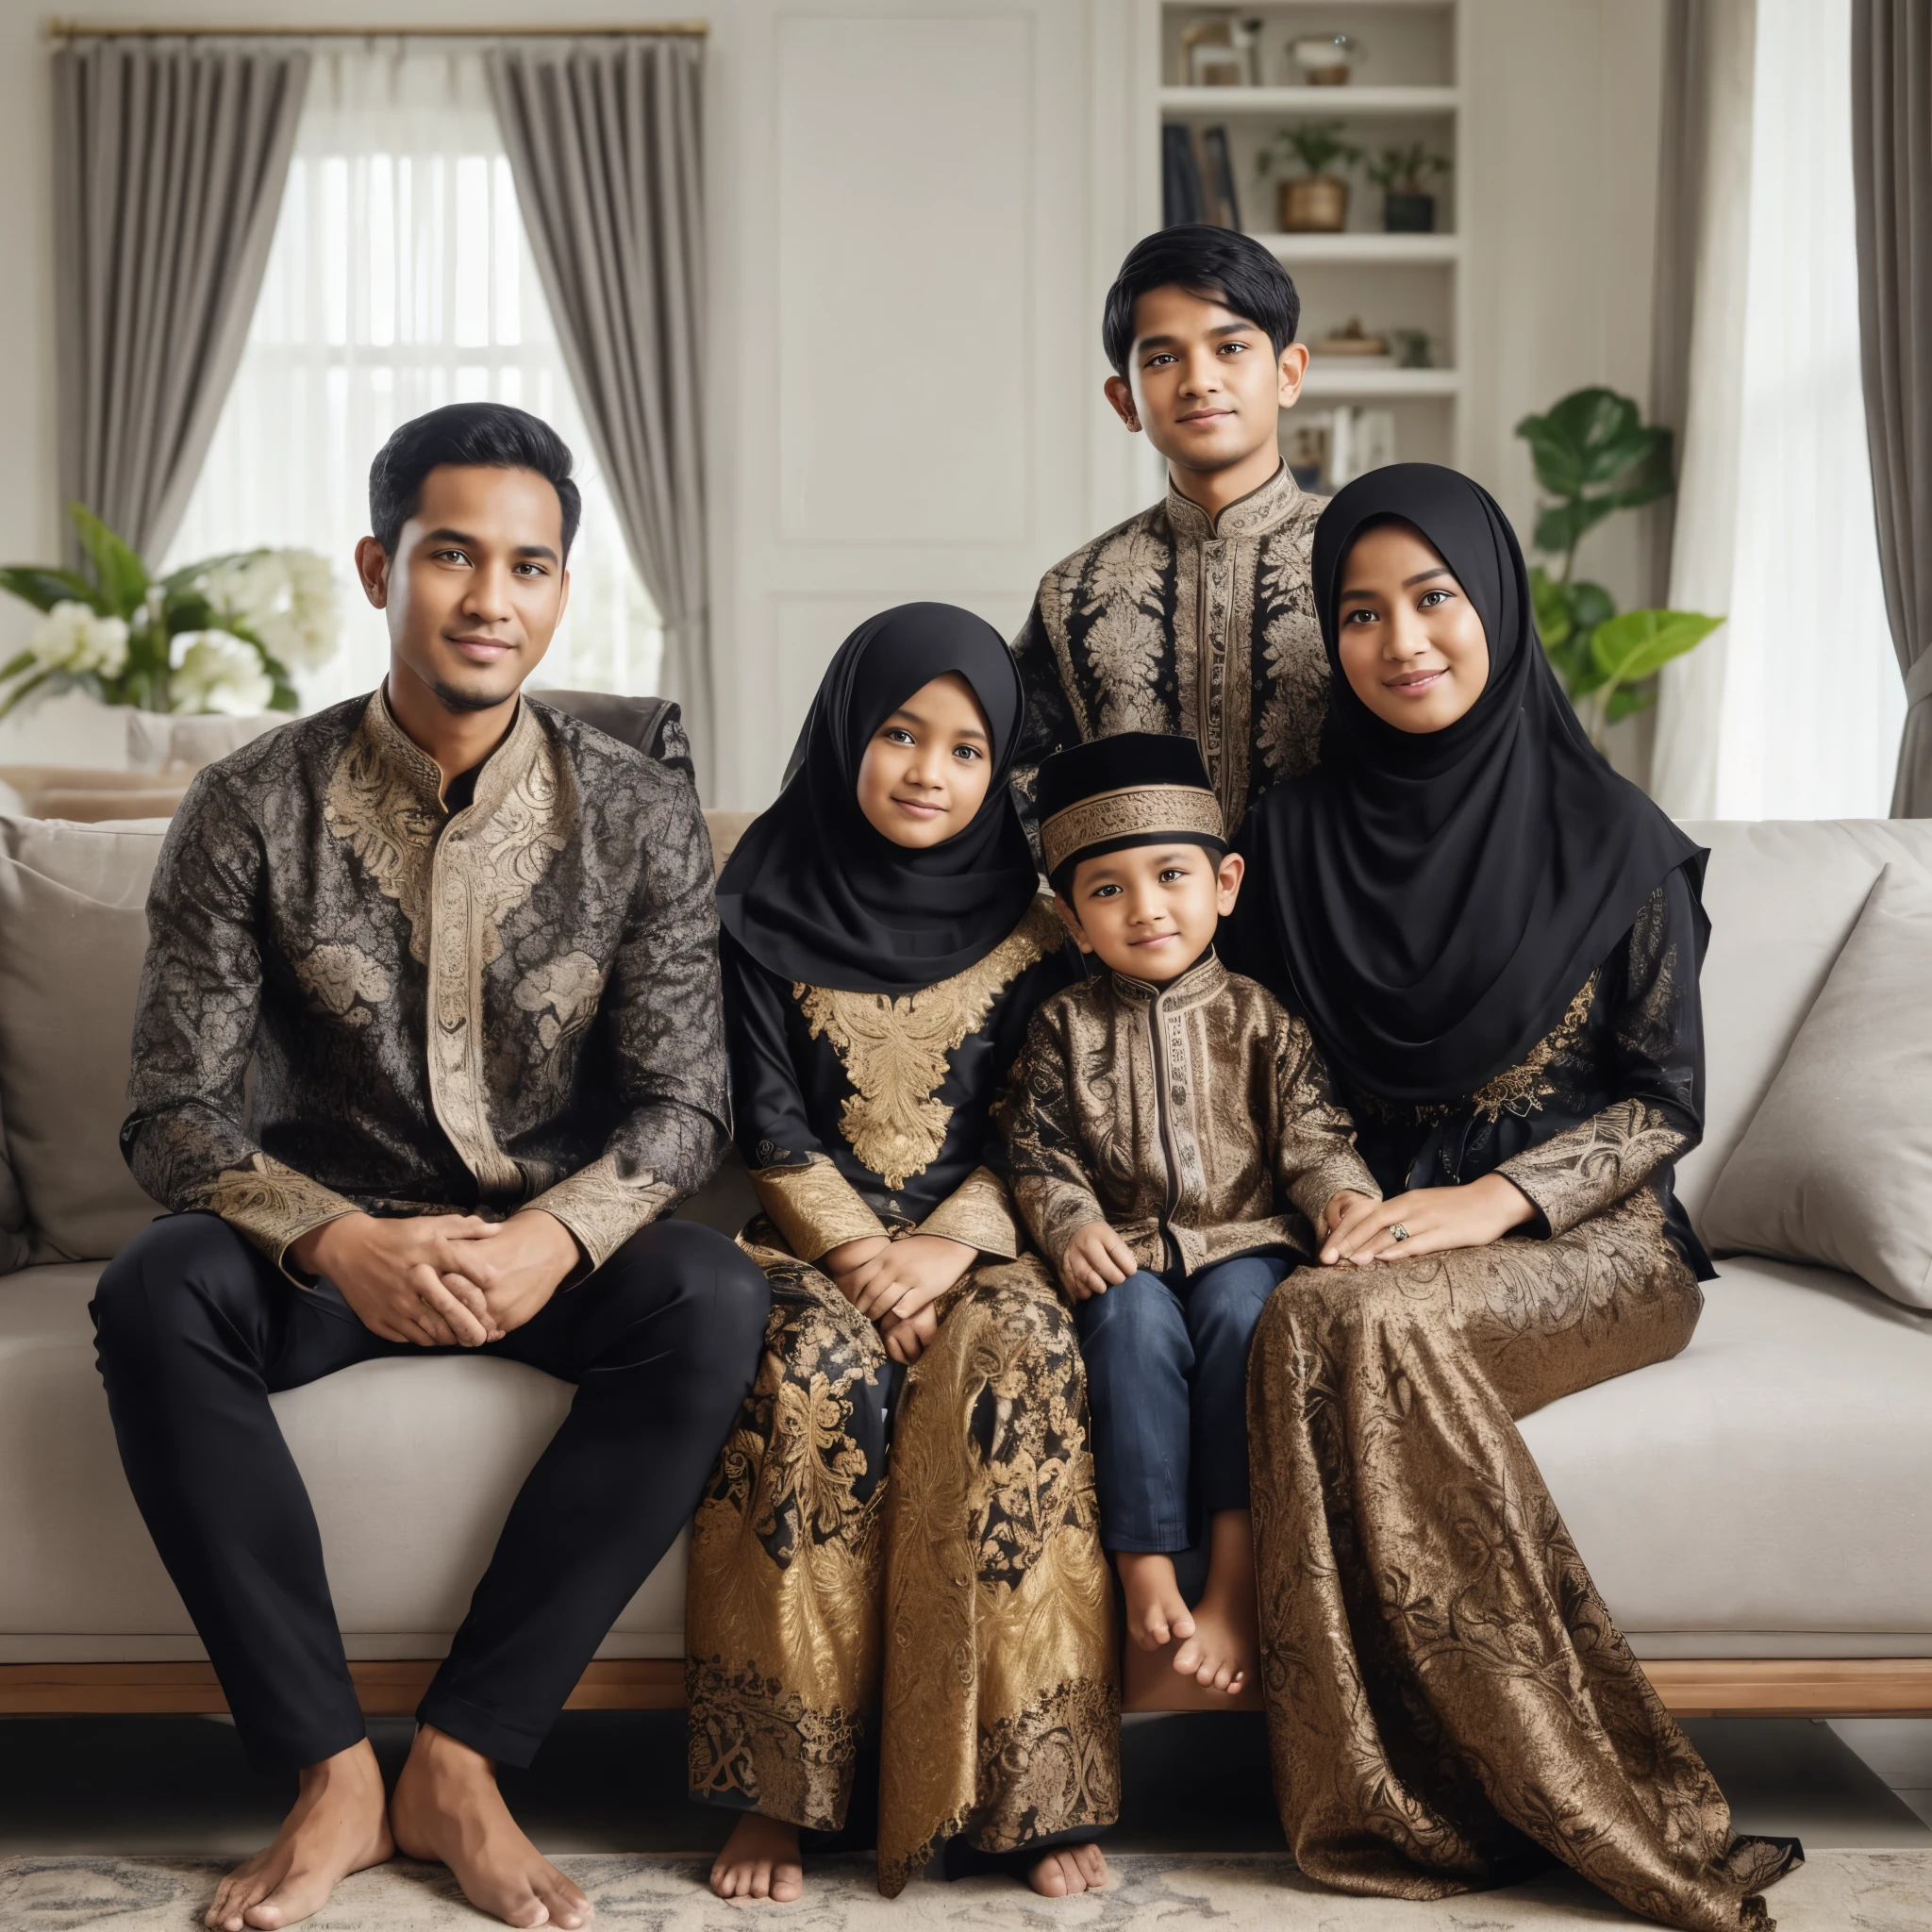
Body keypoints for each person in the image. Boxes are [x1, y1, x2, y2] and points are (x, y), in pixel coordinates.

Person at [92, 402, 770, 1932]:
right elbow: (170, 1114)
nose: (489, 596)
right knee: (155, 1287)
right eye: (450, 554)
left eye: (527, 565)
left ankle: (464, 1756)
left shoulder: (644, 818)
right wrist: (336, 1242)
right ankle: (329, 1767)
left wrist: (556, 1237)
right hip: (327, 1251)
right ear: (377, 564)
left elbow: (682, 1108)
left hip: (549, 1249)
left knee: (715, 1297)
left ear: (560, 588)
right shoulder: (248, 806)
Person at [1224, 463, 1802, 1930]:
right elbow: (1280, 1071)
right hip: (1378, 1229)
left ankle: (1572, 1789)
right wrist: (1348, 1192)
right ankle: (1388, 1791)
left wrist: (1499, 1202)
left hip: (1592, 1246)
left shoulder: (1616, 837)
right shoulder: (1288, 842)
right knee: (1312, 1315)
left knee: (1372, 1328)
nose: (1402, 641)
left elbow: (1664, 1102)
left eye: (1434, 599)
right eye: (1360, 612)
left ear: (1498, 603)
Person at [687, 605, 1118, 1904]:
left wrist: (945, 1248)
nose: (929, 772)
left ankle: (1036, 1791)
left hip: (988, 1248)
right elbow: (762, 1118)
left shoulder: (1045, 930)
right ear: (842, 734)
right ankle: (779, 1787)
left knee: (1024, 1368)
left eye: (968, 749)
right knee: (811, 1380)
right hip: (813, 1250)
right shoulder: (757, 902)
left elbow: (1044, 1118)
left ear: (1004, 773)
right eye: (897, 734)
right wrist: (864, 1257)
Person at [1001, 732, 1377, 1704]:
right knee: (1126, 1323)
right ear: (1071, 919)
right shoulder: (1062, 1026)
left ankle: (1234, 1581)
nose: (1145, 907)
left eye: (1170, 874)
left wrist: (1340, 1194)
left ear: (1224, 882)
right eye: (1107, 889)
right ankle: (1145, 1570)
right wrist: (1068, 1220)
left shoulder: (1262, 1019)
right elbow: (1034, 1149)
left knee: (1238, 1320)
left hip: (1243, 1243)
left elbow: (1312, 1135)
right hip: (1122, 1251)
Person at [1009, 225, 1327, 840]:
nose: (1198, 380)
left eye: (1230, 348)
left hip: (1330, 927)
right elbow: (1020, 791)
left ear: (1289, 374)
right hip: (1134, 933)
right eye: (1161, 358)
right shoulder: (1073, 592)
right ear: (1125, 401)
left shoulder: (1369, 563)